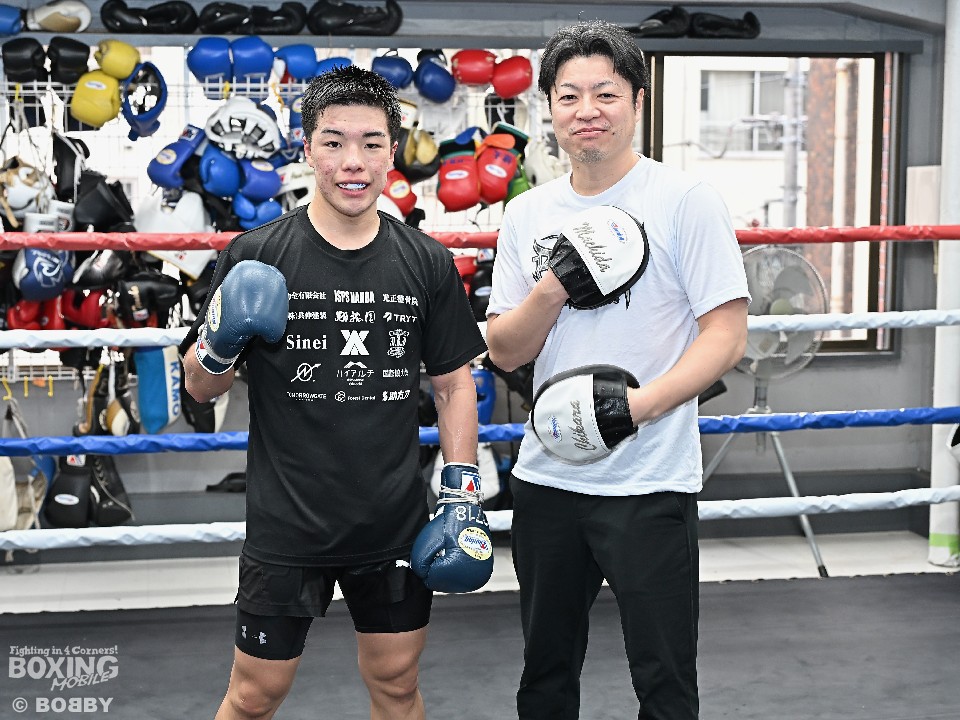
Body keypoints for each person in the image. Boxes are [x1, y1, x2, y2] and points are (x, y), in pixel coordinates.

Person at [180, 65, 488, 720]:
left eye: (371, 143)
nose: (353, 162)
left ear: (392, 152)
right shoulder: (256, 255)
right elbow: (200, 388)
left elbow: (453, 384)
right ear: (307, 148)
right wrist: (222, 340)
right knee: (253, 696)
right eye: (334, 142)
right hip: (288, 524)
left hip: (392, 523)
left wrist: (461, 493)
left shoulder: (426, 262)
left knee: (397, 686)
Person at [485, 20, 751, 720]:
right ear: (549, 107)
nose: (587, 111)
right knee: (544, 676)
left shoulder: (684, 201)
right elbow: (505, 350)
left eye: (605, 94)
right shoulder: (527, 214)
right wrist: (552, 288)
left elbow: (726, 335)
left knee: (665, 681)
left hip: (649, 481)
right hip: (547, 480)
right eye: (569, 96)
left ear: (636, 100)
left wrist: (641, 406)